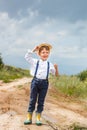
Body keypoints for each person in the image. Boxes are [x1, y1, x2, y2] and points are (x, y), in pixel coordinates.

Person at [24, 43, 58, 125]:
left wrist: (56, 68)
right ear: (39, 54)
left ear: (49, 54)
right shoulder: (35, 62)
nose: (45, 54)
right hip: (35, 82)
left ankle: (38, 118)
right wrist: (33, 50)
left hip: (44, 83)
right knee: (32, 100)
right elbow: (27, 57)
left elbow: (55, 75)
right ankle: (29, 117)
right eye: (43, 52)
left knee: (41, 101)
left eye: (47, 52)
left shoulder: (50, 64)